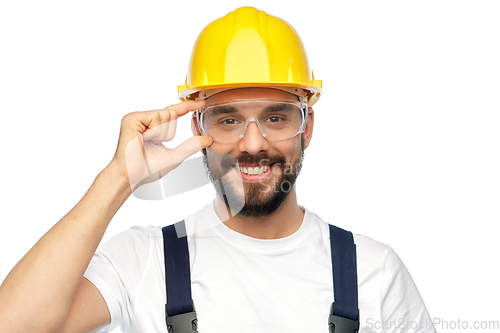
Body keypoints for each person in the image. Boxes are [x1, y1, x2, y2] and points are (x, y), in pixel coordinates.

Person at [0, 6, 436, 333]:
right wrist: (119, 179)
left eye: (276, 117)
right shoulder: (143, 260)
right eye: (228, 120)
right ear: (197, 127)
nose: (252, 144)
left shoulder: (372, 272)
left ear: (308, 126)